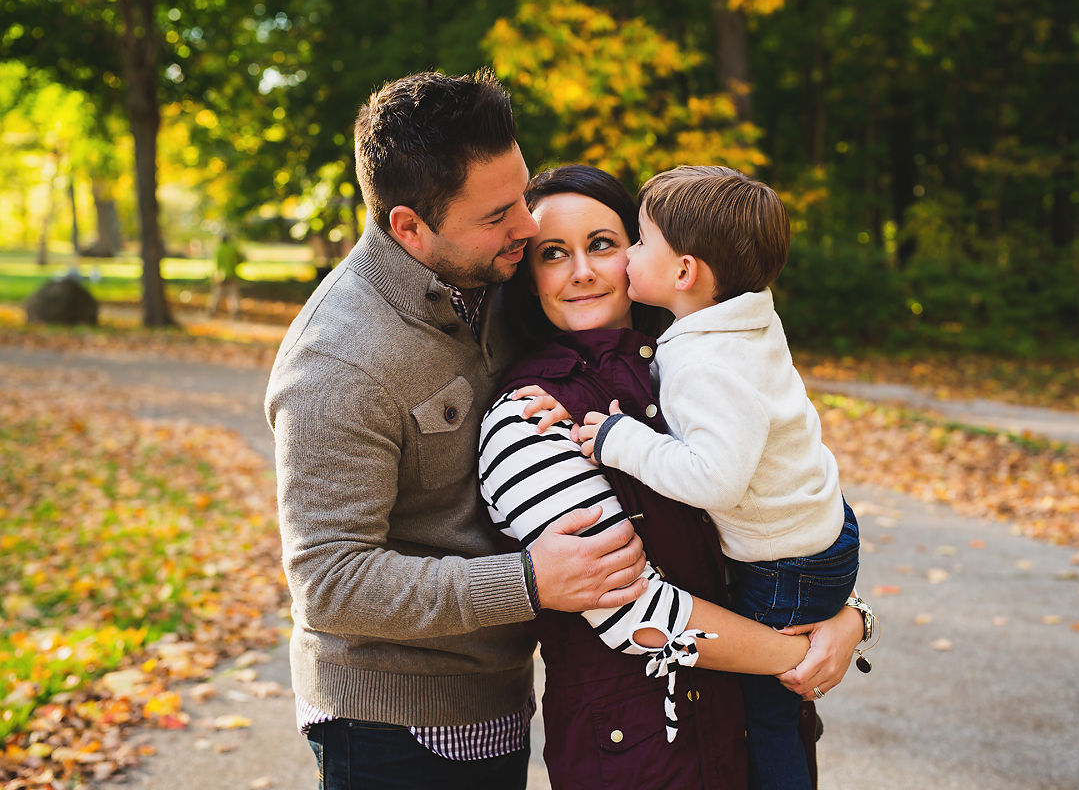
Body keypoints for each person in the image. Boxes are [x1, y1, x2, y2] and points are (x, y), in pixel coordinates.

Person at [264, 71, 651, 790]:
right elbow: (329, 580)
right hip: (390, 726)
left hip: (502, 696)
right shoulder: (336, 362)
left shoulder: (492, 278)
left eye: (522, 195)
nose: (529, 229)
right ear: (409, 227)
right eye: (500, 213)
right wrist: (530, 581)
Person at [479, 165, 872, 789]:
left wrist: (849, 618)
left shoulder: (687, 369)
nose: (582, 270)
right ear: (528, 275)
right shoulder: (527, 416)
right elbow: (637, 614)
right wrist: (802, 654)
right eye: (554, 254)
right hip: (644, 756)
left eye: (605, 244)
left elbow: (774, 510)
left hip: (741, 736)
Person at [208, 234, 244, 318]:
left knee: (216, 294)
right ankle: (235, 313)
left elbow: (215, 263)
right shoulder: (232, 249)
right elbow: (240, 260)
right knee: (233, 295)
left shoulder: (218, 249)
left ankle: (211, 311)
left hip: (220, 275)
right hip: (232, 274)